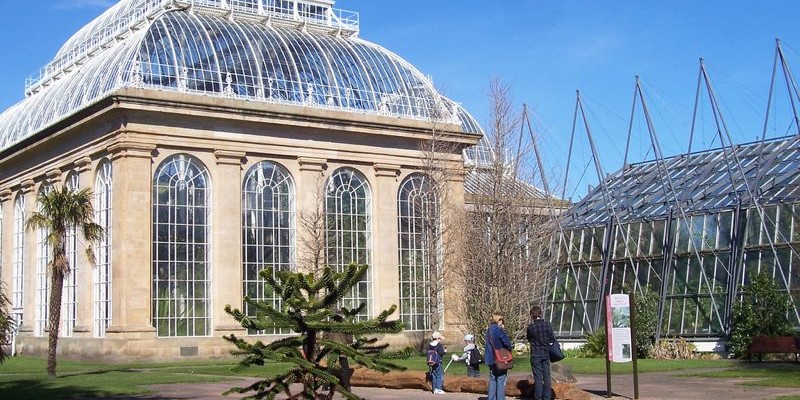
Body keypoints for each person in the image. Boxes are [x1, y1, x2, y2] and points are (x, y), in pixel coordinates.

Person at [526, 305, 556, 400]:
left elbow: (529, 339)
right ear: (540, 313)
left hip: (535, 354)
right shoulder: (547, 325)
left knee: (538, 377)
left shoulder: (531, 327)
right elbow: (552, 338)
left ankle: (538, 397)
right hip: (545, 353)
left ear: (532, 315)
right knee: (546, 376)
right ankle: (547, 397)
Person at [485, 313, 512, 400]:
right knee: (500, 378)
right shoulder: (499, 330)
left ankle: (491, 398)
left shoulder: (488, 330)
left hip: (490, 357)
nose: (502, 322)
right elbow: (507, 343)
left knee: (493, 379)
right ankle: (500, 398)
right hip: (500, 358)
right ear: (498, 320)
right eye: (502, 320)